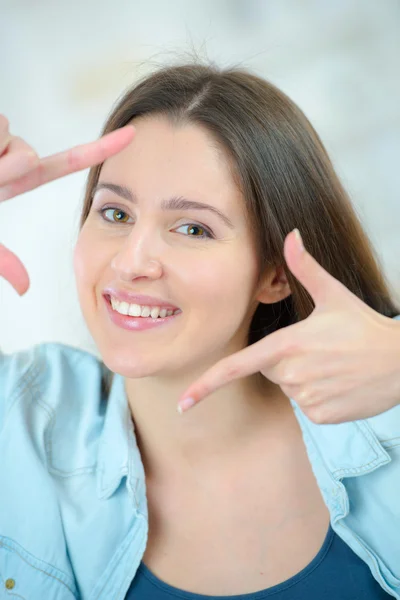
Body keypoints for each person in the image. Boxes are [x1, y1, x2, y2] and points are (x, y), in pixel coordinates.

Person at [1, 62, 400, 600]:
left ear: (275, 274)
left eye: (193, 228)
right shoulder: (22, 421)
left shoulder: (385, 399)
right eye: (115, 214)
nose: (131, 261)